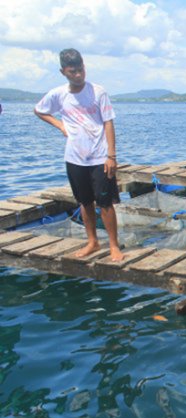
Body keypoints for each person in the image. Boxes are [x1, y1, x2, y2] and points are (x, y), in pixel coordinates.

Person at [34, 48, 124, 262]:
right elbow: (39, 110)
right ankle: (92, 241)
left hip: (100, 157)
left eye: (81, 69)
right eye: (72, 71)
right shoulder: (58, 94)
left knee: (105, 203)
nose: (78, 75)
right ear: (63, 71)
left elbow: (109, 123)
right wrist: (59, 125)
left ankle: (113, 245)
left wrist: (111, 156)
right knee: (84, 202)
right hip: (75, 157)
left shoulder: (98, 92)